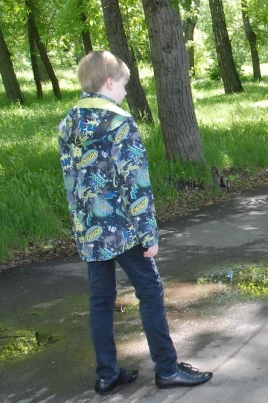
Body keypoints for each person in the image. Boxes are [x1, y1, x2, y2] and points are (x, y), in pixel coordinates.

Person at [57, 51, 213, 395]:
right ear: (109, 81)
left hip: (90, 232)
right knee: (151, 292)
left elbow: (71, 181)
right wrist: (148, 234)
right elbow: (135, 184)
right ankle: (168, 369)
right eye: (125, 84)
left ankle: (107, 374)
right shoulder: (118, 122)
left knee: (100, 300)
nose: (127, 91)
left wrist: (82, 230)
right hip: (124, 231)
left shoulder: (69, 121)